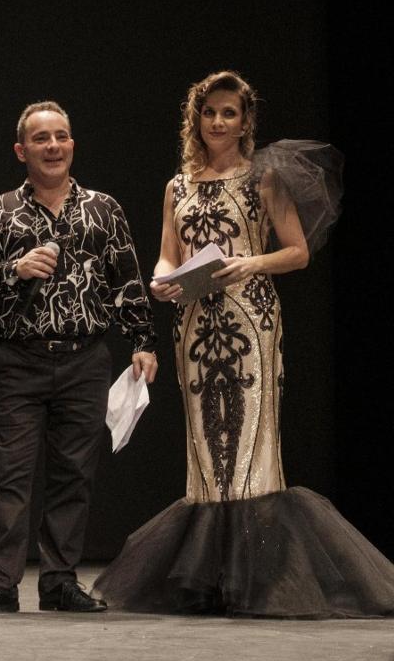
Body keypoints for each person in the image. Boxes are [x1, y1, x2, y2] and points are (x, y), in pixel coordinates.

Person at [93, 71, 394, 617]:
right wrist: (164, 280)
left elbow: (297, 252)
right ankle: (212, 582)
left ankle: (266, 581)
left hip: (250, 320)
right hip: (194, 326)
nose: (217, 122)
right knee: (208, 454)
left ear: (245, 120)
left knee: (253, 445)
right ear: (196, 118)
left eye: (229, 113)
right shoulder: (177, 185)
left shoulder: (263, 179)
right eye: (209, 112)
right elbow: (166, 252)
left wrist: (249, 262)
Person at [0, 101, 157, 615]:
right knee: (10, 477)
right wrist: (13, 269)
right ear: (22, 150)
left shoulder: (103, 210)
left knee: (73, 475)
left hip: (86, 360)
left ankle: (60, 582)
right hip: (21, 359)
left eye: (61, 136)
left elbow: (126, 279)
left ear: (72, 145)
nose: (54, 146)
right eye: (42, 139)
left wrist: (144, 340)